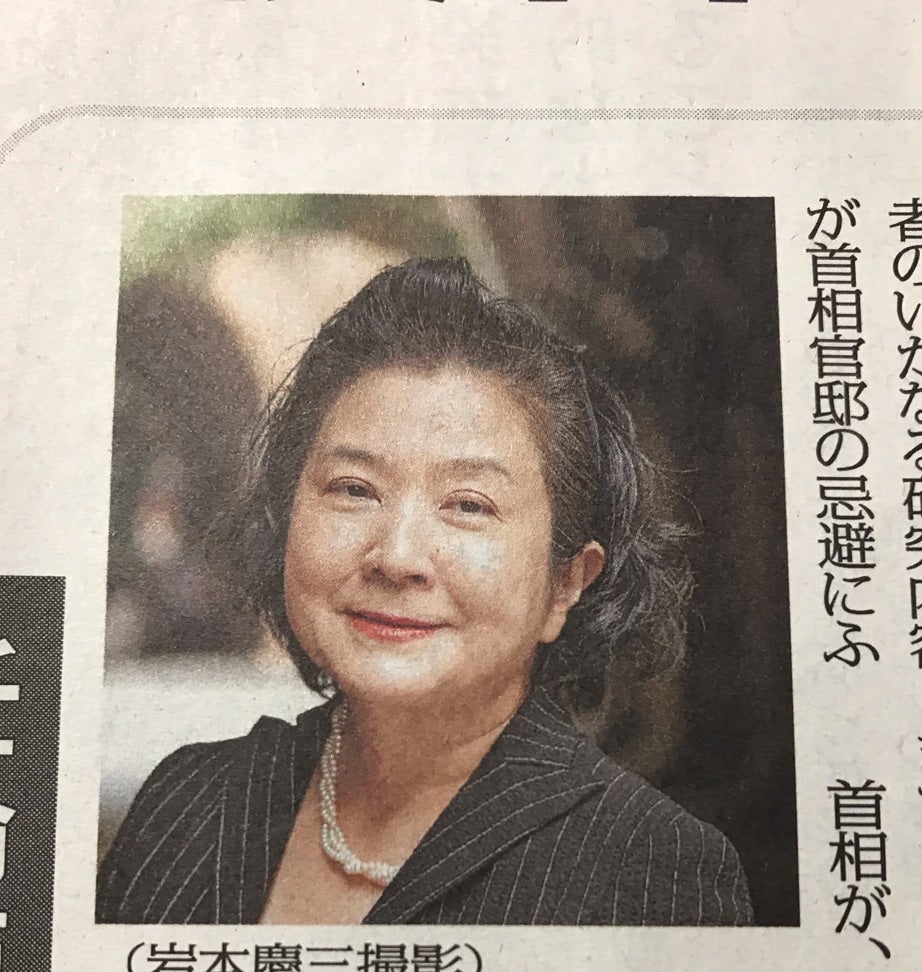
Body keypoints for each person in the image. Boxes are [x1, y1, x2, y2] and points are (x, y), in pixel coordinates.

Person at [97, 257, 753, 926]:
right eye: (354, 489)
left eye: (468, 505)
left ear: (566, 583)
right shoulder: (186, 803)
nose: (398, 557)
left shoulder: (657, 867)